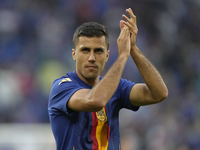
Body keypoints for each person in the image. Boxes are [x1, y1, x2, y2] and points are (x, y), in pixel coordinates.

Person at [48, 8, 168, 150]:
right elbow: (96, 100)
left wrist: (133, 49)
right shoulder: (62, 87)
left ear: (107, 55)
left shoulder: (116, 87)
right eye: (85, 50)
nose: (92, 58)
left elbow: (159, 93)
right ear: (74, 54)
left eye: (98, 51)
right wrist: (122, 56)